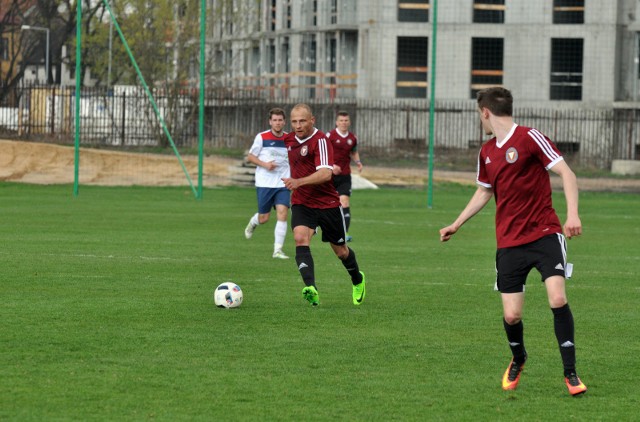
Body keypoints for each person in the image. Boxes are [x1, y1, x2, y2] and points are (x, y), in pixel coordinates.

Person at [439, 87, 587, 396]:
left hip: (545, 234)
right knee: (511, 315)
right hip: (508, 242)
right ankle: (519, 357)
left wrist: (572, 215)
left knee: (557, 299)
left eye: (480, 116)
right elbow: (484, 191)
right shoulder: (487, 151)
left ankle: (571, 374)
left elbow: (567, 173)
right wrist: (457, 223)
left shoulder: (530, 137)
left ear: (485, 112)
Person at [282, 103, 365, 306]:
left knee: (341, 251)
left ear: (312, 120)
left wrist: (298, 182)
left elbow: (326, 173)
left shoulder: (321, 141)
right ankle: (311, 287)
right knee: (300, 238)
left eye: (302, 121)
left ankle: (358, 280)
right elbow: (274, 140)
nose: (298, 125)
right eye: (294, 121)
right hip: (302, 202)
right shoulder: (289, 139)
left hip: (327, 204)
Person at [244, 107, 291, 259]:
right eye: (275, 120)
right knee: (264, 218)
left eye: (280, 120)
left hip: (283, 183)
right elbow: (250, 157)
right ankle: (253, 222)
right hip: (265, 183)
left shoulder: (290, 138)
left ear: (284, 122)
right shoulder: (262, 137)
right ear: (270, 122)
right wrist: (265, 164)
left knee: (282, 214)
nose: (277, 123)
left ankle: (277, 250)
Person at [326, 111, 363, 242]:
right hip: (329, 176)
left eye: (346, 120)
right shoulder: (330, 136)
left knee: (344, 202)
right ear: (337, 122)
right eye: (341, 120)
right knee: (327, 204)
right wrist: (332, 166)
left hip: (345, 175)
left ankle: (344, 233)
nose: (344, 123)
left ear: (349, 122)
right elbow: (323, 153)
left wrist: (358, 162)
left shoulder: (353, 138)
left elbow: (353, 152)